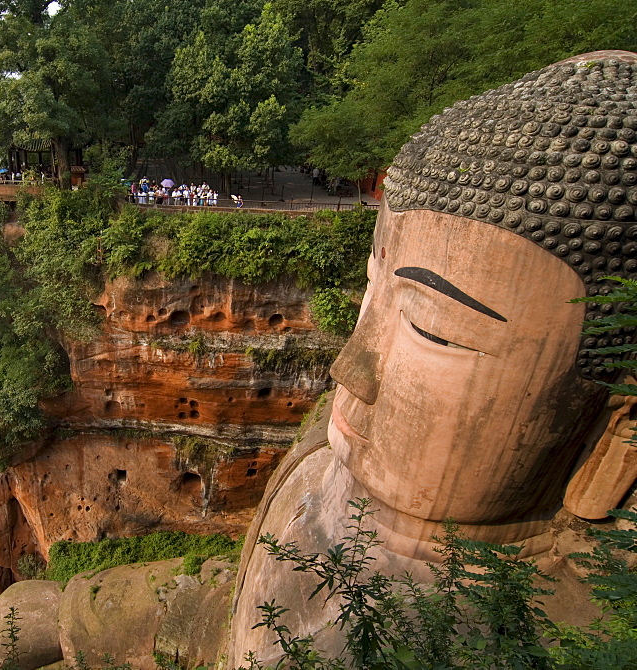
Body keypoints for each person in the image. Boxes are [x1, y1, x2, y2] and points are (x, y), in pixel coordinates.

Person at [229, 50, 637, 661]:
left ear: (616, 432)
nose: (349, 370)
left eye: (433, 331)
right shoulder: (319, 466)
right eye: (371, 288)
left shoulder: (541, 639)